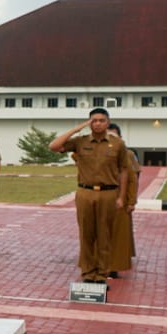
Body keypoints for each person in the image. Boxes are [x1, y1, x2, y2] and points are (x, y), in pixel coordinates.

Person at [49, 109, 130, 283]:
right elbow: (54, 146)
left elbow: (124, 170)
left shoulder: (118, 144)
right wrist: (77, 129)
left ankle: (101, 275)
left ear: (108, 123)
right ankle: (87, 273)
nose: (98, 123)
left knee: (105, 236)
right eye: (94, 120)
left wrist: (121, 197)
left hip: (108, 193)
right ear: (89, 123)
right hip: (85, 193)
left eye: (102, 120)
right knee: (86, 235)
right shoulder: (80, 142)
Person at [106, 123, 140, 278]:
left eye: (114, 136)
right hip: (101, 198)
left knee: (118, 235)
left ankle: (114, 266)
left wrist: (131, 201)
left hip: (119, 198)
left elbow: (133, 179)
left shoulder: (127, 154)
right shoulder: (97, 152)